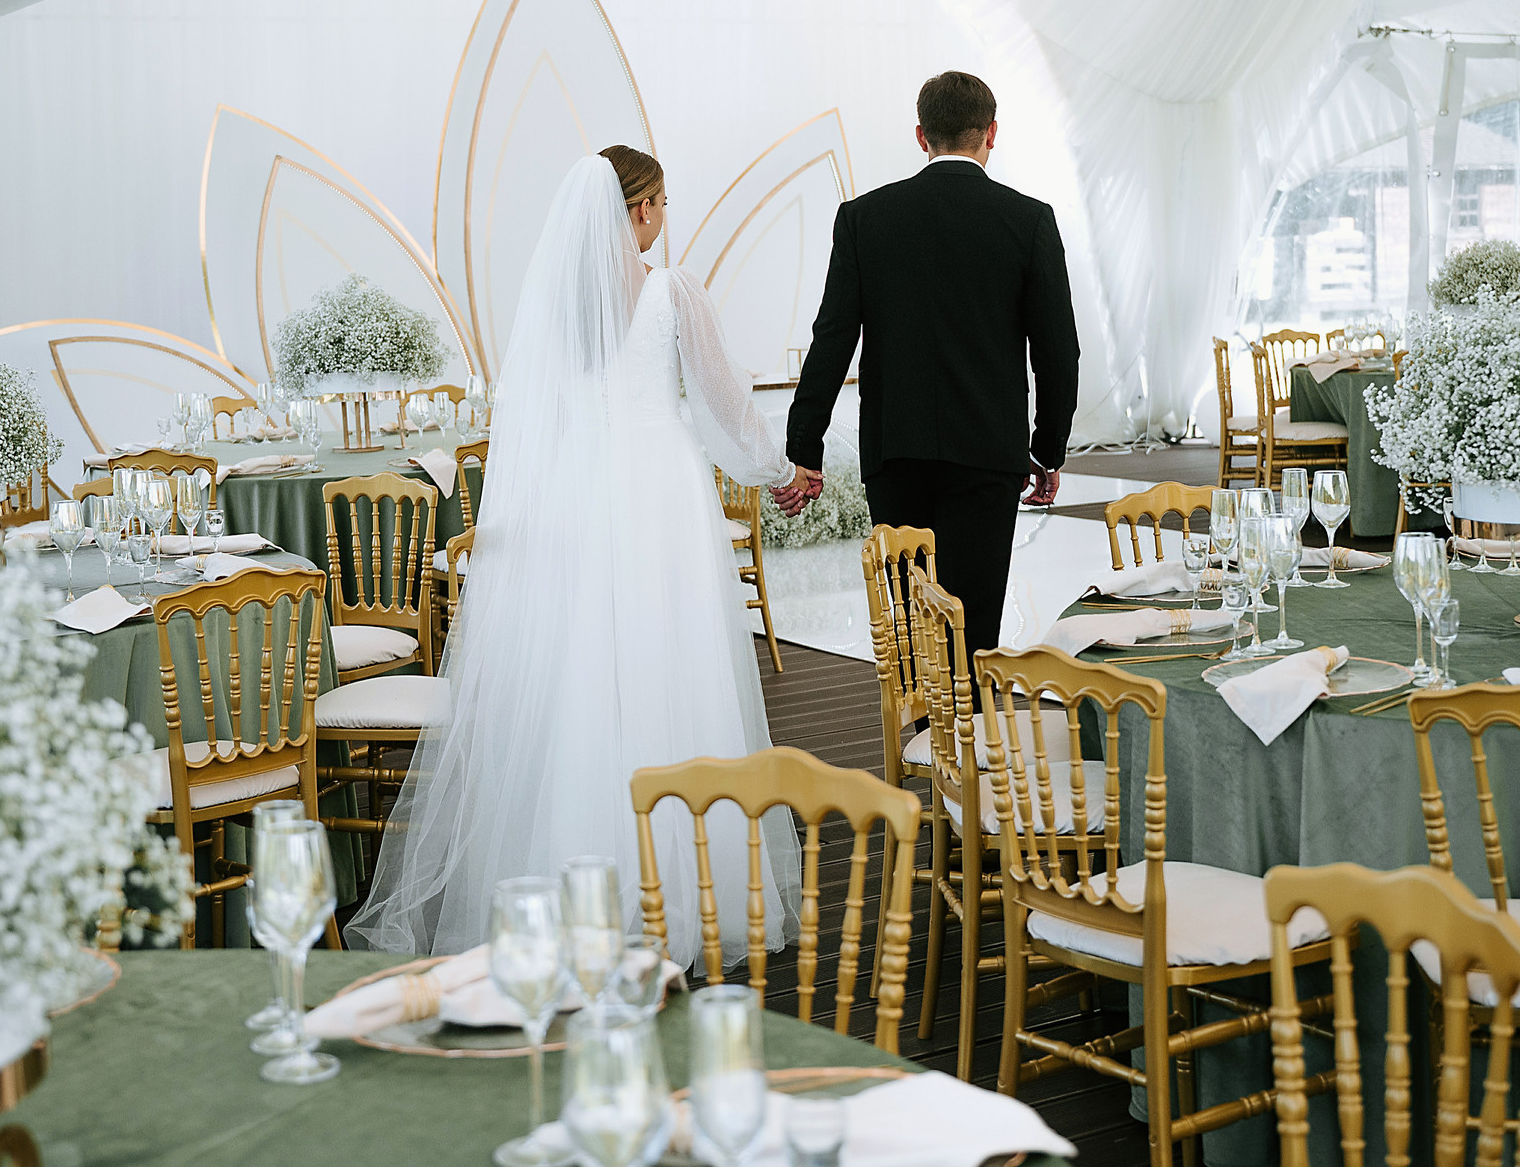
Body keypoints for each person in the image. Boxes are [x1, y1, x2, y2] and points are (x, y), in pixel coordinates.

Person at [348, 147, 799, 966]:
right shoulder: (671, 290)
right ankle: (682, 886)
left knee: (586, 681)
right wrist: (777, 473)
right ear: (642, 209)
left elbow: (539, 423)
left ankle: (578, 884)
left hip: (584, 505)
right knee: (673, 668)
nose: (664, 217)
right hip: (661, 500)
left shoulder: (558, 306)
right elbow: (725, 402)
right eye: (659, 202)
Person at [780, 71, 1078, 665]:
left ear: (921, 136)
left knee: (912, 624)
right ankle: (967, 749)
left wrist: (804, 446)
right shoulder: (1029, 221)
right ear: (992, 133)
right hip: (989, 456)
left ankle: (920, 742)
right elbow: (1057, 351)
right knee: (974, 627)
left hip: (897, 455)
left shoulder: (865, 219)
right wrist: (1047, 450)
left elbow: (831, 339)